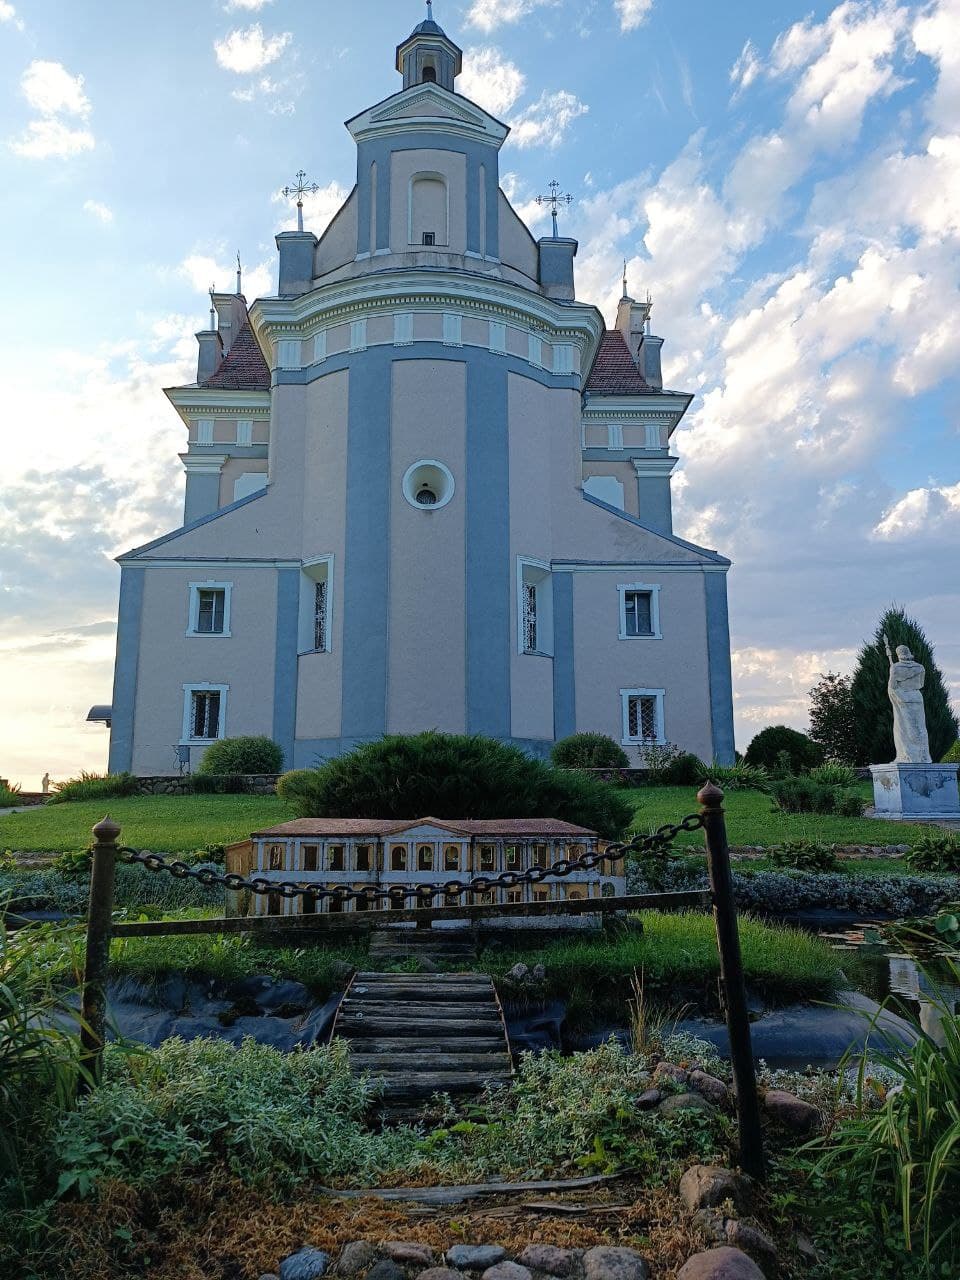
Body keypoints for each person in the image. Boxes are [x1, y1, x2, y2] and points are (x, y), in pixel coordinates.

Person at [883, 636, 932, 763]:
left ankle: (907, 756)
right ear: (909, 653)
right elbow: (921, 684)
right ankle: (923, 756)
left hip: (903, 698)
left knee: (903, 728)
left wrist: (895, 690)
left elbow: (892, 686)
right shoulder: (920, 667)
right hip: (916, 697)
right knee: (920, 727)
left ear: (898, 654)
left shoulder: (896, 668)